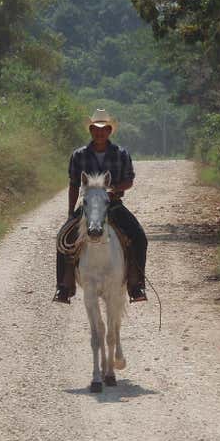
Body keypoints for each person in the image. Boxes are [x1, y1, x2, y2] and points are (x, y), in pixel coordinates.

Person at [53, 108, 148, 304]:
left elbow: (129, 180)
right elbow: (73, 184)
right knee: (63, 236)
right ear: (90, 130)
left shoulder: (121, 154)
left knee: (139, 237)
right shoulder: (79, 155)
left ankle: (136, 284)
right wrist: (71, 213)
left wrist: (114, 190)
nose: (99, 132)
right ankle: (64, 285)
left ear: (109, 131)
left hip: (113, 205)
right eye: (96, 129)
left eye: (103, 129)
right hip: (88, 207)